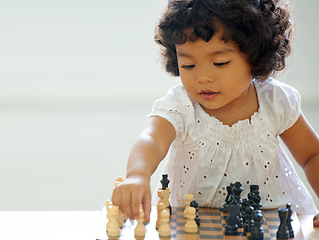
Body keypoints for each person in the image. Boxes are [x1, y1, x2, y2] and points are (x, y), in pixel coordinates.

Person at [112, 0, 319, 226]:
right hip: (195, 227)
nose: (203, 78)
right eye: (188, 65)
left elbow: (312, 155)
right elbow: (151, 139)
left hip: (267, 224)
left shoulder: (275, 102)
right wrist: (137, 174)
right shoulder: (182, 106)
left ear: (256, 58)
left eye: (220, 63)